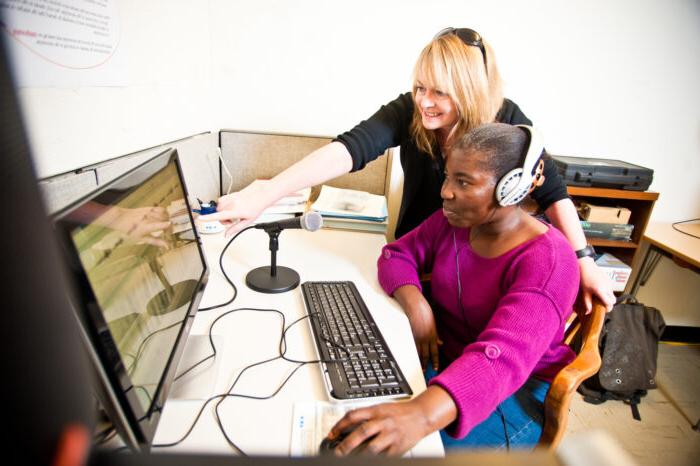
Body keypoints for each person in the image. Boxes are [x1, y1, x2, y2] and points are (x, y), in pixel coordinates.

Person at [200, 27, 614, 313]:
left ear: (469, 93)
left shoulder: (506, 123)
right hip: (414, 257)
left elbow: (554, 192)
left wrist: (583, 259)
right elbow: (349, 148)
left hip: (471, 274)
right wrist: (264, 195)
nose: (424, 101)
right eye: (420, 87)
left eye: (439, 92)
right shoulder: (411, 110)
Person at [324, 123, 580, 455]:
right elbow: (396, 255)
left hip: (515, 394)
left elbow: (501, 359)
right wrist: (417, 306)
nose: (445, 191)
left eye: (463, 182)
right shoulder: (453, 221)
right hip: (449, 360)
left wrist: (420, 414)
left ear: (511, 189)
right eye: (448, 177)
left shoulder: (549, 263)